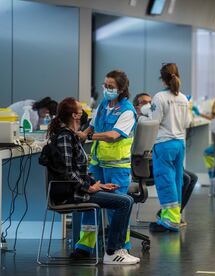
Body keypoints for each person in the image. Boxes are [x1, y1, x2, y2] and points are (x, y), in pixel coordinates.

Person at [47, 98, 139, 265]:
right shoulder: (66, 138)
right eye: (81, 111)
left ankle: (118, 249)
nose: (84, 114)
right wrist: (88, 187)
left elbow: (76, 171)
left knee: (126, 200)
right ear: (75, 115)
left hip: (88, 184)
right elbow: (67, 172)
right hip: (76, 193)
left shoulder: (71, 136)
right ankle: (113, 252)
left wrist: (98, 185)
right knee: (124, 203)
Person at [75, 70, 137, 256]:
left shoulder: (127, 111)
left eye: (111, 87)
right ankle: (85, 246)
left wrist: (90, 136)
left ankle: (119, 248)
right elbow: (94, 123)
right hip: (98, 164)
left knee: (117, 207)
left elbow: (113, 135)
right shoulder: (103, 105)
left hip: (117, 167)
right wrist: (84, 133)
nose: (107, 89)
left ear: (121, 89)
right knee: (89, 204)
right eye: (105, 85)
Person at [148, 63, 191, 232]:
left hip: (164, 143)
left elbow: (154, 121)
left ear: (162, 79)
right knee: (176, 180)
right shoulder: (183, 98)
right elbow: (187, 122)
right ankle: (172, 216)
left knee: (165, 181)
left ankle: (171, 220)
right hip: (179, 144)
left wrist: (146, 111)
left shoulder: (159, 97)